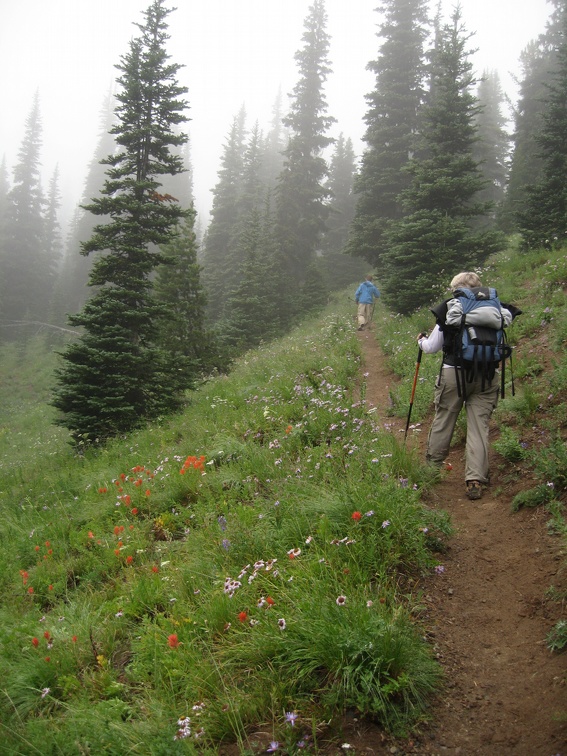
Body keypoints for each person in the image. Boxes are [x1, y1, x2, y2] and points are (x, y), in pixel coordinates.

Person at [418, 271, 521, 501]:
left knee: (445, 419)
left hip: (454, 374)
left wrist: (421, 341)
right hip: (486, 376)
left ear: (458, 289)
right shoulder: (494, 309)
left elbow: (433, 346)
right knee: (479, 426)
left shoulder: (452, 307)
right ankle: (475, 479)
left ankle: (432, 469)